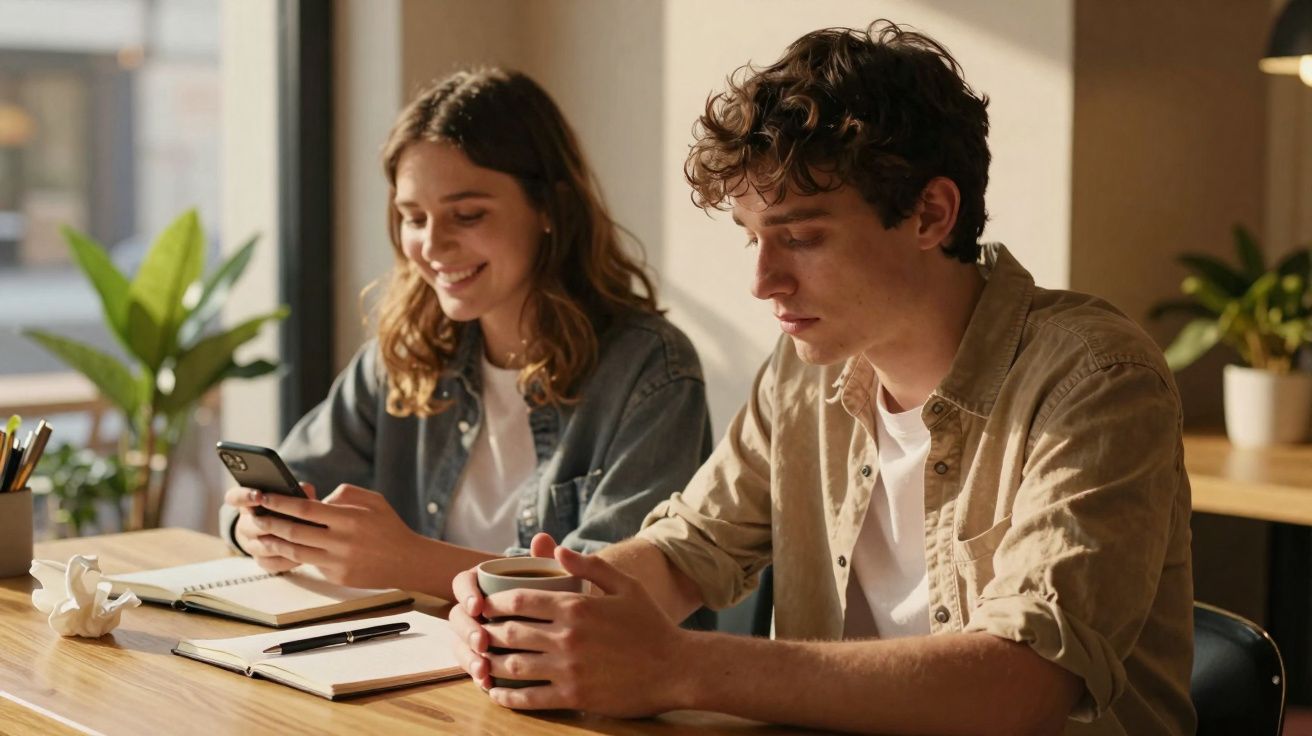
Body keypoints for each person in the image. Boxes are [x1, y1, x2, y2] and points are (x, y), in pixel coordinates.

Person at [449, 21, 1194, 735]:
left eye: (801, 237)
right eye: (752, 238)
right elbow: (690, 547)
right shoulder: (807, 371)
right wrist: (540, 610)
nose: (763, 281)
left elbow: (1024, 688)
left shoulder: (1097, 381)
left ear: (932, 213)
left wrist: (679, 666)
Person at [218, 69, 714, 604]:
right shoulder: (403, 356)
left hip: (578, 685)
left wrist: (407, 561)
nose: (432, 245)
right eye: (412, 218)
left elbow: (611, 594)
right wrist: (256, 530)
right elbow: (266, 490)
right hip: (421, 665)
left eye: (467, 214)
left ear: (550, 207)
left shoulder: (651, 371)